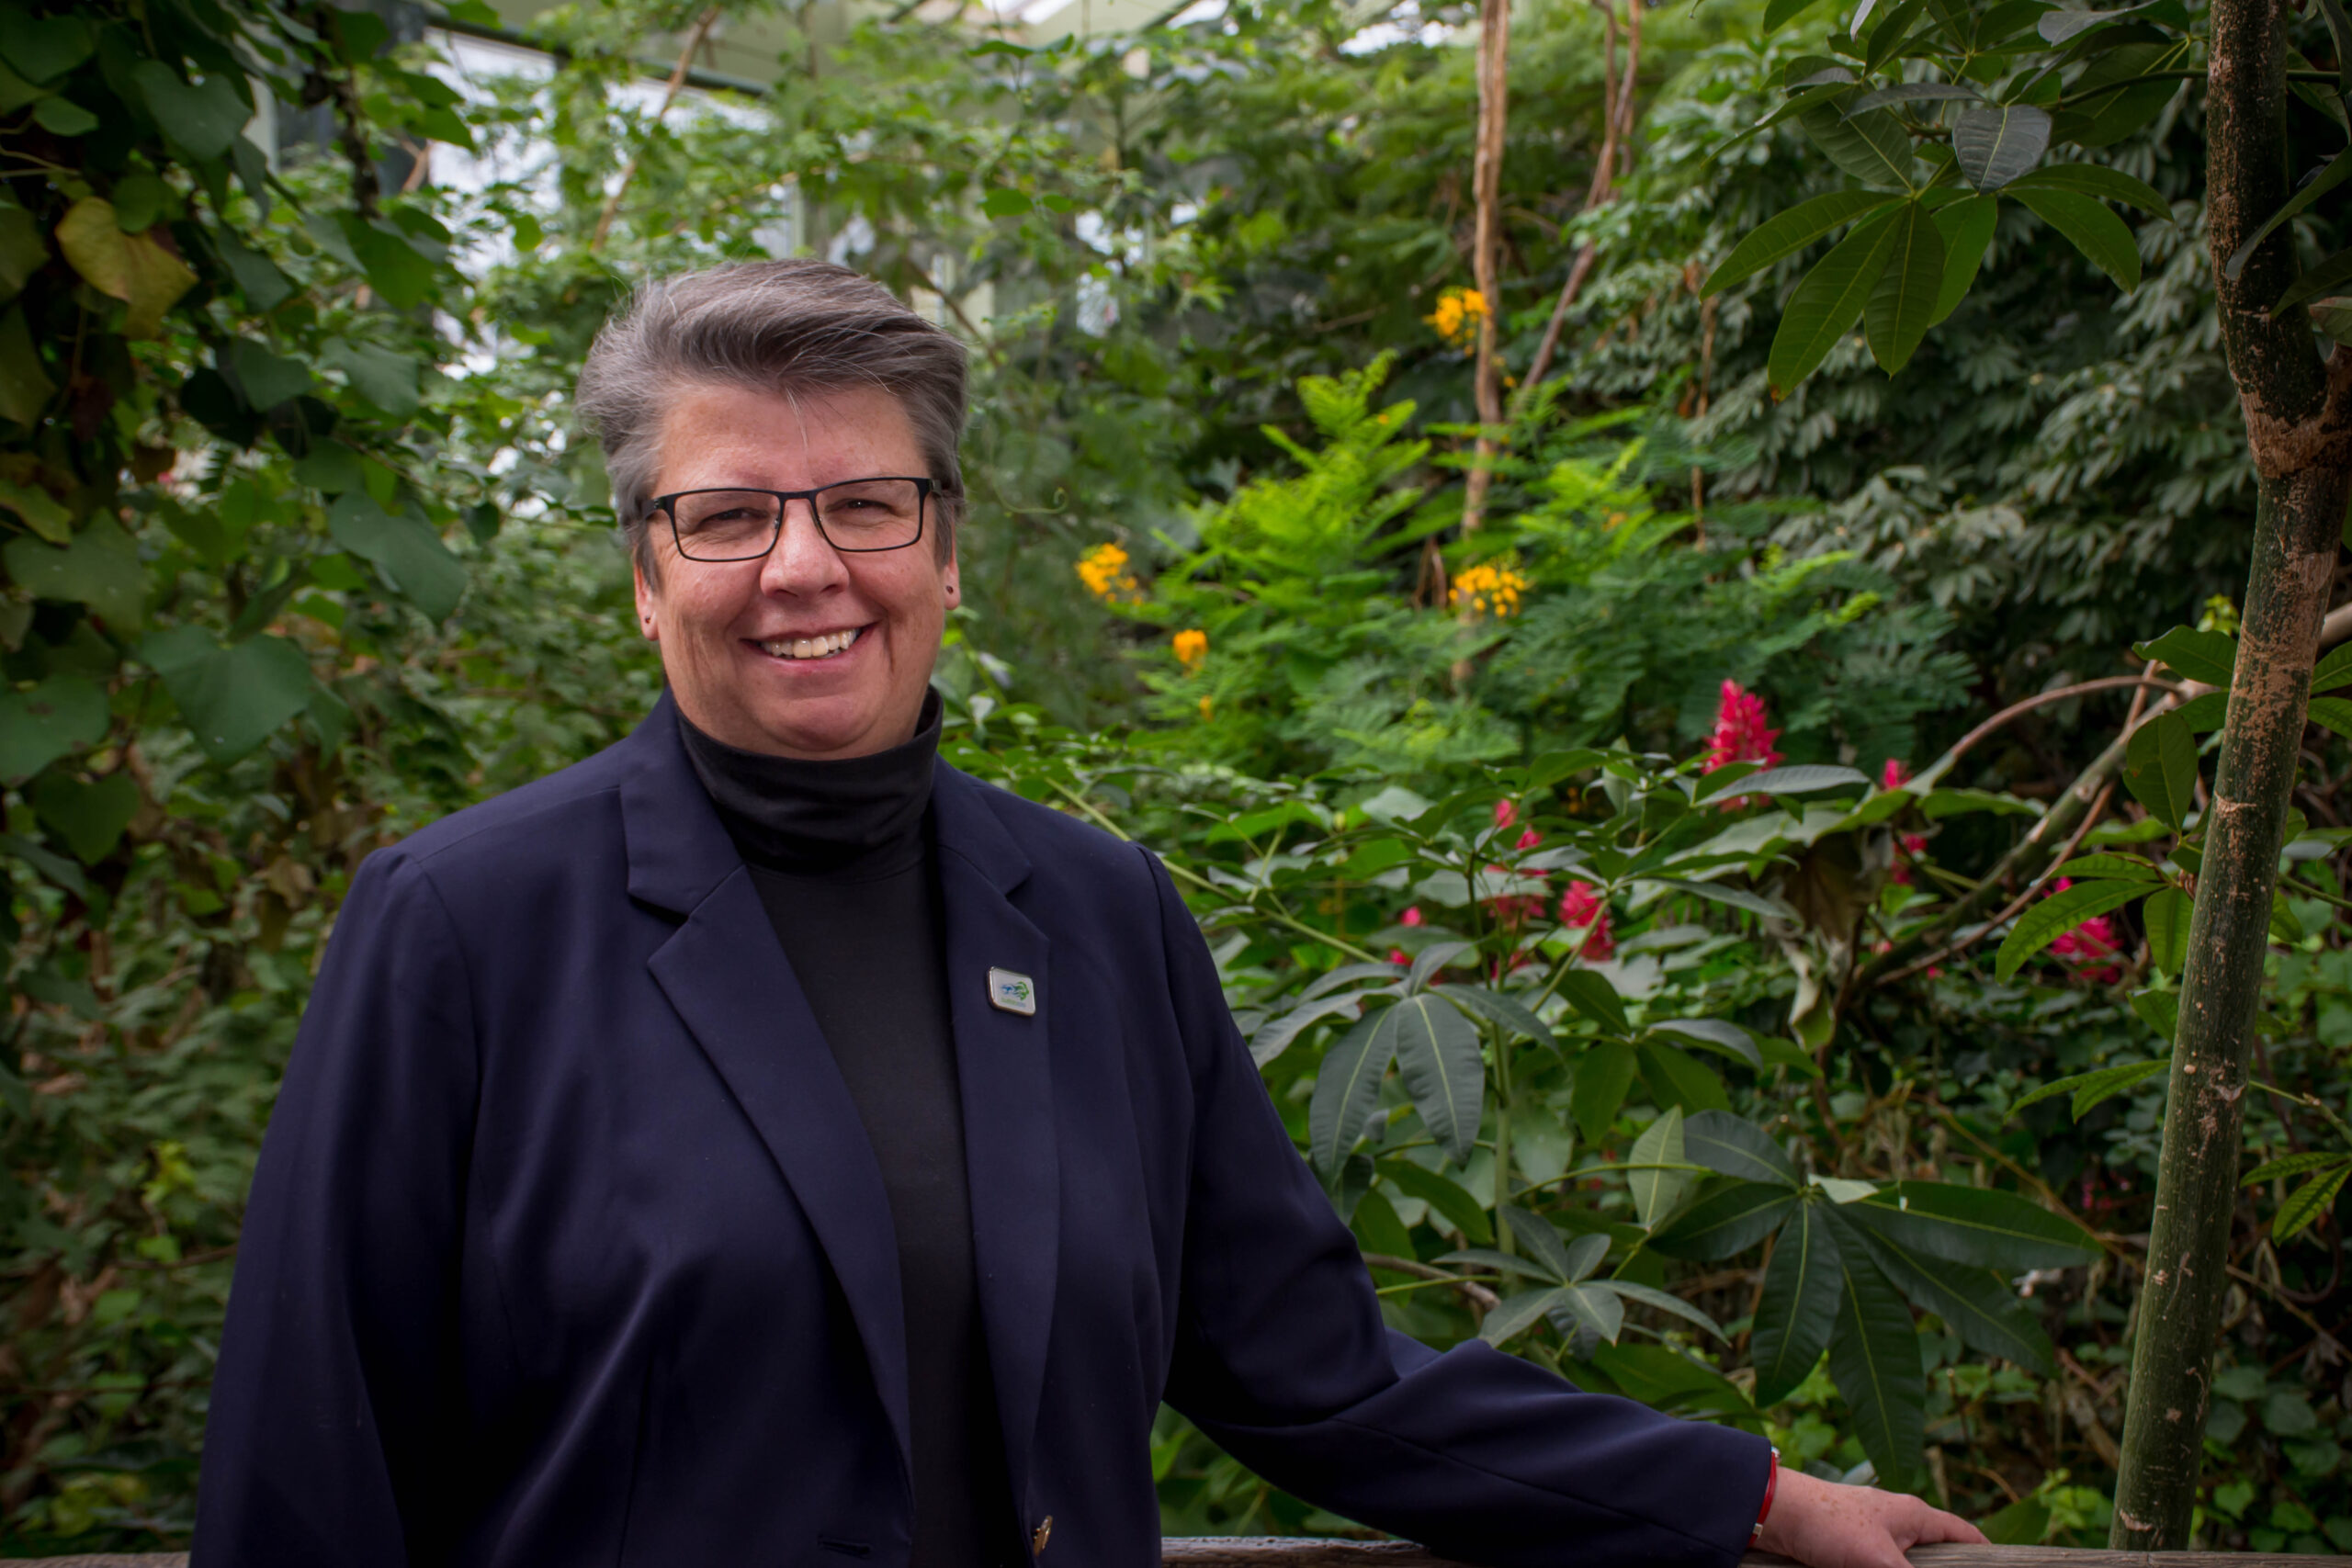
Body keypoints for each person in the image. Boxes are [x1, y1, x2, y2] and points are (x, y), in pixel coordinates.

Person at [193, 261, 1985, 1568]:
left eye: (864, 503)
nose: (804, 565)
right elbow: (308, 1464)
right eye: (726, 515)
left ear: (946, 550)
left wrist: (1748, 1494)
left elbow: (1314, 1373)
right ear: (646, 575)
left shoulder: (1093, 910)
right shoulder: (461, 925)